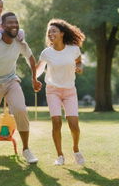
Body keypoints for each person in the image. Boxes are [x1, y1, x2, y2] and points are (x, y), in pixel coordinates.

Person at [0, 12, 42, 163]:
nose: (14, 25)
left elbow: (31, 59)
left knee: (20, 109)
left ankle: (26, 149)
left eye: (16, 22)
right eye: (10, 23)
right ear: (2, 26)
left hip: (10, 80)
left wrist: (34, 78)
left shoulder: (20, 42)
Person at [36, 19, 85, 166]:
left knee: (74, 125)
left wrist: (80, 67)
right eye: (49, 32)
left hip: (70, 91)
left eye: (54, 31)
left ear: (62, 33)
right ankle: (60, 156)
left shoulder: (73, 49)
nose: (51, 34)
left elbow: (79, 62)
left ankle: (76, 150)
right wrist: (34, 79)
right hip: (53, 91)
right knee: (56, 123)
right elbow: (38, 70)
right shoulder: (46, 53)